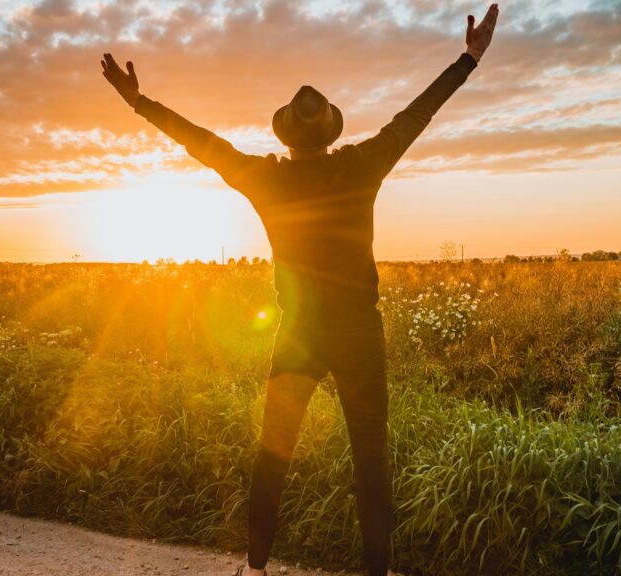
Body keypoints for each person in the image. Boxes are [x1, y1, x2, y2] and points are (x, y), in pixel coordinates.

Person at [101, 4, 500, 575]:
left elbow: (200, 141)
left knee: (274, 452)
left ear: (286, 135)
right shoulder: (362, 165)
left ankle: (256, 566)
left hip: (299, 332)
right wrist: (468, 59)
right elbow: (416, 115)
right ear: (329, 130)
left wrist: (139, 102)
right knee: (371, 457)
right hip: (361, 332)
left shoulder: (267, 180)